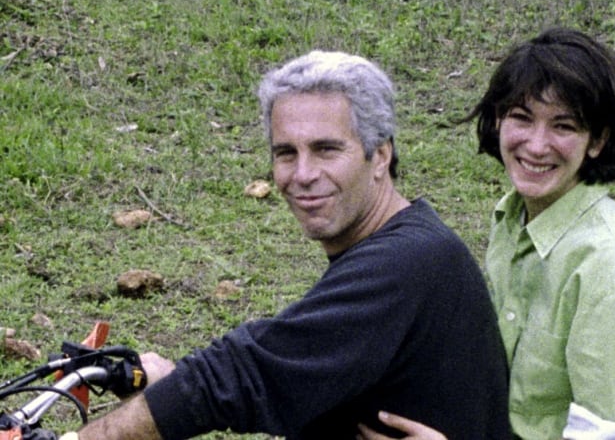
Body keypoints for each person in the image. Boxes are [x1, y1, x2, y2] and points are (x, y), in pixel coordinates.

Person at [70, 50, 511, 440]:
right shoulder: (404, 242)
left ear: (380, 156)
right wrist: (171, 379)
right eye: (286, 153)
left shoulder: (407, 261)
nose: (302, 174)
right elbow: (283, 365)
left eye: (325, 150)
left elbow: (239, 375)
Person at [360, 27, 615, 440]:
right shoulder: (515, 218)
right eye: (521, 118)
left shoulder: (612, 268)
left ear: (598, 141)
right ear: (498, 120)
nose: (536, 145)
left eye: (563, 126)